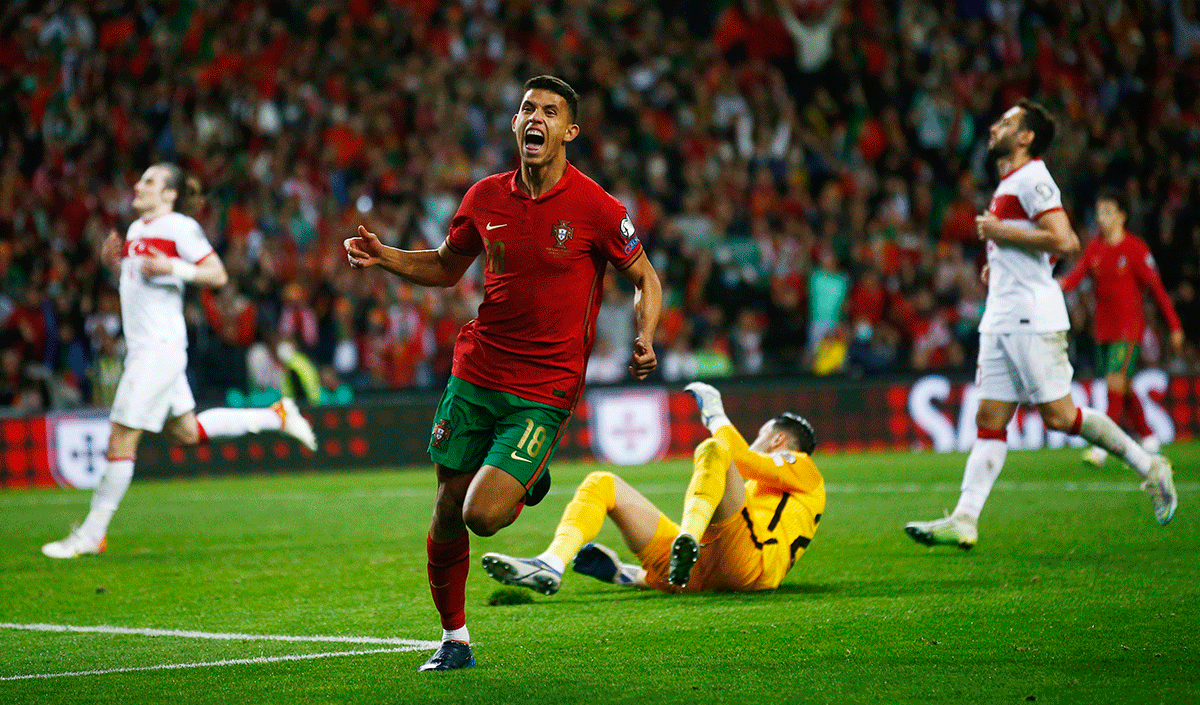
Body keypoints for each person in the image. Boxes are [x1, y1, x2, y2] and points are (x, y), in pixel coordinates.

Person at [343, 76, 661, 671]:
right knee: (446, 506)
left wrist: (644, 335)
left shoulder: (596, 206)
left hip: (544, 389)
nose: (534, 118)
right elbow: (444, 267)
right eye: (526, 109)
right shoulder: (484, 198)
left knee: (482, 515)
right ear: (516, 125)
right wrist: (386, 257)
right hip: (477, 371)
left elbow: (645, 277)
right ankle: (454, 639)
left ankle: (527, 477)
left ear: (569, 131)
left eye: (549, 111)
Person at [904, 100, 1177, 551]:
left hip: (1031, 316)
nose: (995, 126)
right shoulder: (1009, 182)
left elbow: (1065, 239)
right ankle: (964, 518)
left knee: (1060, 417)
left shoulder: (1033, 177)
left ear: (1026, 138)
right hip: (1002, 313)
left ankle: (1149, 466)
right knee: (989, 419)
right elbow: (1044, 248)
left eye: (1007, 122)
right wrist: (1003, 263)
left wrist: (1001, 235)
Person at [41, 164, 317, 559]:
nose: (138, 185)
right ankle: (276, 415)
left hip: (157, 350)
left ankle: (92, 533)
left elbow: (217, 273)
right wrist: (115, 265)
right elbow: (141, 285)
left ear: (169, 194)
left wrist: (173, 267)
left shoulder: (178, 227)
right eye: (139, 179)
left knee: (121, 435)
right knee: (186, 432)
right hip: (149, 349)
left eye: (150, 181)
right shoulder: (137, 231)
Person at [480, 381, 823, 595]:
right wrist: (628, 573)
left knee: (714, 449)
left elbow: (743, 457)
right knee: (602, 483)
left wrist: (715, 415)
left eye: (762, 434)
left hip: (752, 563)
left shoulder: (803, 467)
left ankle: (686, 539)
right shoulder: (768, 492)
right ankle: (551, 562)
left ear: (778, 439)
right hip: (713, 568)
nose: (757, 439)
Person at [1058, 187, 1185, 466]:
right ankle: (1149, 438)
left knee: (1114, 385)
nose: (1101, 218)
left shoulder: (1136, 250)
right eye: (1099, 212)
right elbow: (1074, 278)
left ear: (1122, 216)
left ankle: (1101, 449)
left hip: (1129, 331)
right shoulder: (1095, 249)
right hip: (1102, 331)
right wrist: (1053, 285)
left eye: (1107, 212)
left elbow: (1158, 291)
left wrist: (1174, 326)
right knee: (1123, 388)